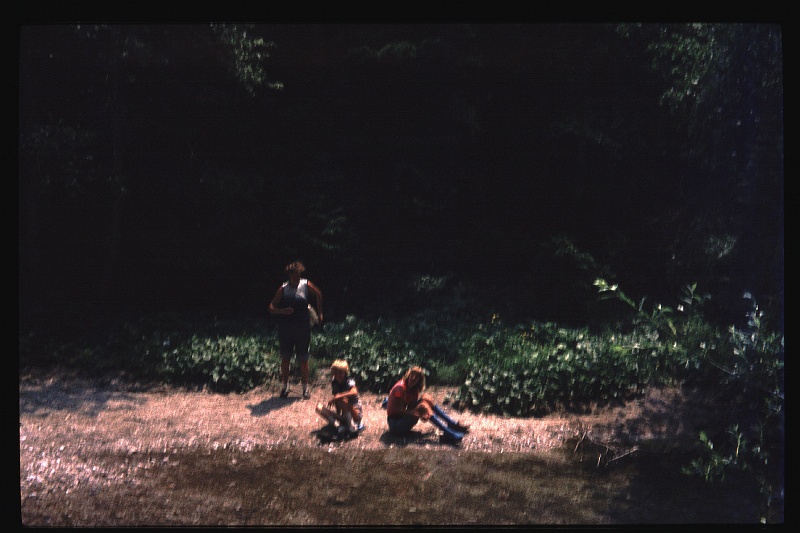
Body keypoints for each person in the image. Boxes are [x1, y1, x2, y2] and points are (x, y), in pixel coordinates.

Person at [268, 261, 323, 399]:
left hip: (303, 327)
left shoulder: (305, 284)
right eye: (294, 276)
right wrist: (282, 311)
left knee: (303, 359)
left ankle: (305, 389)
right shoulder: (283, 289)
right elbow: (271, 307)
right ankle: (285, 387)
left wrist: (320, 312)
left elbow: (318, 294)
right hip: (286, 329)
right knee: (285, 358)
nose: (296, 278)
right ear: (289, 276)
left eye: (298, 275)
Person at [385, 365, 470, 443]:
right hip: (395, 425)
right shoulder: (400, 388)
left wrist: (421, 413)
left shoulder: (414, 391)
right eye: (412, 374)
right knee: (423, 406)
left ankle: (452, 424)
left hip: (403, 420)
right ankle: (448, 433)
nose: (414, 378)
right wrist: (415, 412)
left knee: (426, 398)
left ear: (419, 380)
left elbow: (412, 408)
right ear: (408, 375)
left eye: (417, 376)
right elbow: (395, 410)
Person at [315, 359, 365, 437]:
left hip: (355, 413)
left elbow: (354, 392)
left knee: (340, 399)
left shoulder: (349, 381)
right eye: (336, 372)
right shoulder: (334, 382)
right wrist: (337, 414)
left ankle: (352, 428)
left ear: (345, 372)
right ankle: (338, 427)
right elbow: (337, 403)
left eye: (341, 372)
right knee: (319, 407)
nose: (339, 375)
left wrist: (338, 396)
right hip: (345, 415)